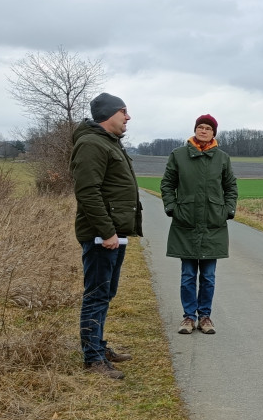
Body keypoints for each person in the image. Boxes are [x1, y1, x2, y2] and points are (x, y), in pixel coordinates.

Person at [70, 92, 143, 380]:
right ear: (108, 115)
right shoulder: (91, 144)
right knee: (97, 295)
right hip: (103, 236)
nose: (128, 117)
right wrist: (107, 231)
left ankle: (98, 346)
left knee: (106, 293)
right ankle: (93, 358)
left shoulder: (107, 143)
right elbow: (88, 192)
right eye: (123, 111)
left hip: (113, 234)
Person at [161, 114, 239, 336]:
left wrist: (227, 210)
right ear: (195, 130)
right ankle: (188, 317)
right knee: (187, 274)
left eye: (208, 128)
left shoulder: (222, 158)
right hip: (185, 222)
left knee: (208, 276)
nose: (203, 131)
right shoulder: (178, 155)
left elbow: (231, 187)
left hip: (213, 223)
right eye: (200, 127)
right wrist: (172, 208)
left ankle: (205, 317)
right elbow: (167, 184)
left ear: (214, 133)